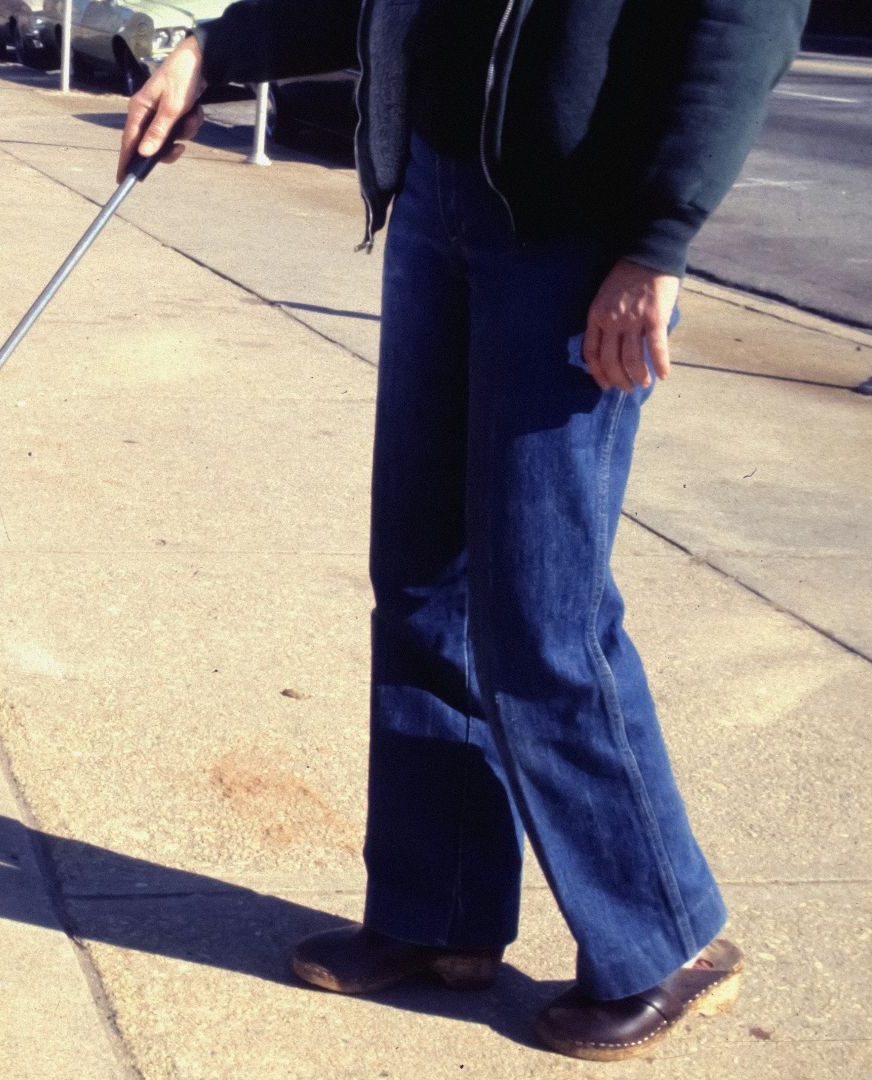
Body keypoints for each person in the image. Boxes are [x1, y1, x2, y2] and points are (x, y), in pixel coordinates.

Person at [116, 0, 808, 1062]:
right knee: (423, 581)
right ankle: (437, 913)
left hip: (577, 232)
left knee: (544, 608)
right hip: (439, 195)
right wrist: (217, 48)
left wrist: (657, 242)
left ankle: (665, 937)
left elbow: (738, 28)